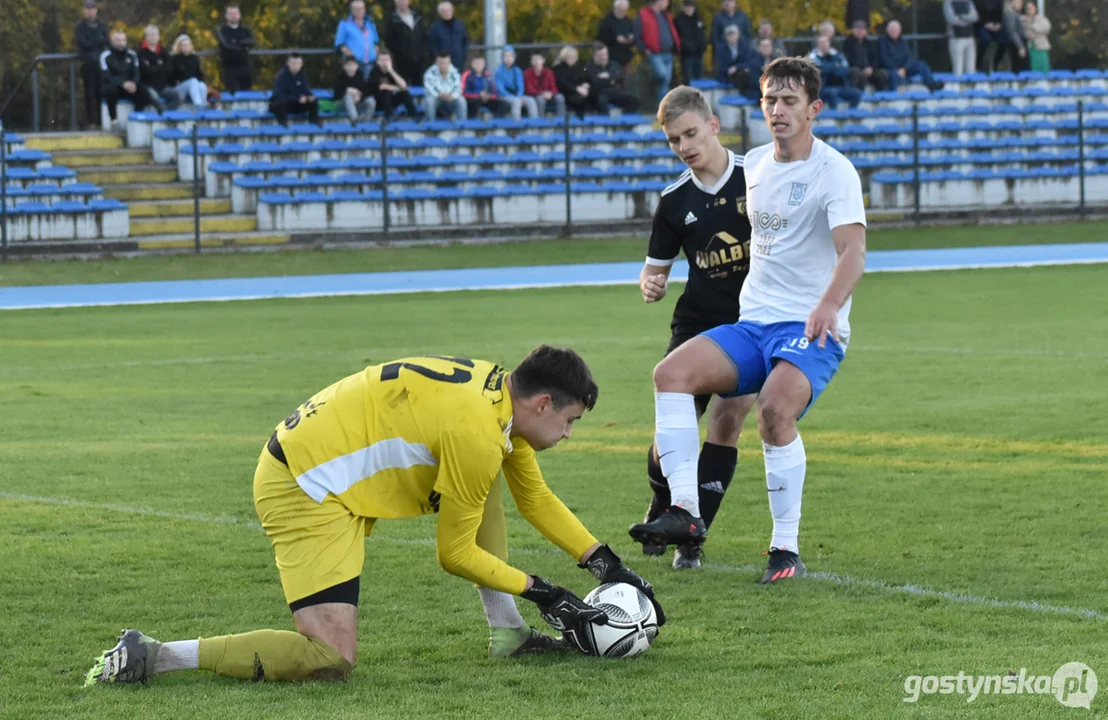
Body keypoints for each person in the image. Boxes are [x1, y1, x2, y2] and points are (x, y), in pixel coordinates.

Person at [84, 348, 664, 685]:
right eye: (569, 423)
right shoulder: (477, 433)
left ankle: (509, 636)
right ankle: (156, 655)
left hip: (327, 468)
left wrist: (609, 567)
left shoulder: (493, 398)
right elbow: (454, 554)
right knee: (330, 660)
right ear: (542, 403)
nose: (566, 434)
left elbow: (534, 498)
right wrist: (546, 591)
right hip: (305, 486)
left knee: (484, 488)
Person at [629, 56, 867, 586]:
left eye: (789, 101)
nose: (778, 110)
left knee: (774, 412)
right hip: (751, 325)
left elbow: (853, 252)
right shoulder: (754, 167)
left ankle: (786, 549)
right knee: (669, 375)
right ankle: (685, 511)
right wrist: (654, 277)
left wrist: (828, 304)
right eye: (770, 100)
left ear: (814, 109)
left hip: (808, 329)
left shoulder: (834, 170)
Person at [633, 86, 754, 570]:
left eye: (690, 133)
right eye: (673, 140)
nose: (684, 146)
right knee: (667, 443)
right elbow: (654, 267)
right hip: (697, 324)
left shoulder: (757, 179)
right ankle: (662, 501)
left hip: (751, 324)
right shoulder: (673, 201)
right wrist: (651, 284)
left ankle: (692, 540)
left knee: (727, 423)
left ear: (713, 125)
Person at [101, 30, 158, 129]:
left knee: (143, 90)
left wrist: (134, 83)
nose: (120, 43)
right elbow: (106, 76)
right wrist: (122, 83)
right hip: (115, 86)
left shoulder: (132, 54)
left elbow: (136, 73)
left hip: (130, 86)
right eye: (117, 40)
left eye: (123, 40)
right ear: (112, 41)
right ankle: (114, 120)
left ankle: (137, 117)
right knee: (110, 90)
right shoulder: (106, 56)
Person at [636, 0, 681, 104]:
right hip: (654, 53)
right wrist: (643, 49)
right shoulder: (643, 14)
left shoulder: (666, 15)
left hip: (668, 53)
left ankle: (662, 109)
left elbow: (671, 31)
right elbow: (638, 33)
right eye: (665, 1)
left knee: (665, 83)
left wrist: (676, 46)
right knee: (662, 75)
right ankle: (651, 82)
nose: (667, 3)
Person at [879, 20, 944, 91]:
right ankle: (892, 97)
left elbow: (910, 57)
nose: (894, 31)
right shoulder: (882, 41)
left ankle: (932, 85)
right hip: (891, 69)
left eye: (896, 29)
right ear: (887, 30)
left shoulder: (904, 41)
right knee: (892, 75)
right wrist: (897, 70)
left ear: (900, 30)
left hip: (905, 69)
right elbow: (884, 59)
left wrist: (904, 68)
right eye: (892, 29)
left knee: (921, 65)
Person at [75, 0, 110, 129]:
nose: (91, 11)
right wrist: (97, 41)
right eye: (88, 9)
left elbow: (106, 41)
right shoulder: (80, 26)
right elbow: (83, 44)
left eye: (93, 9)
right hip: (88, 64)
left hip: (101, 64)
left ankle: (102, 121)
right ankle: (92, 121)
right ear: (84, 10)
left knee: (101, 91)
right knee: (89, 93)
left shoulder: (101, 25)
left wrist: (94, 42)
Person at [583, 44, 641, 113]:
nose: (604, 57)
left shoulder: (613, 64)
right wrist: (610, 80)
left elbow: (619, 77)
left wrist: (607, 78)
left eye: (605, 54)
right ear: (594, 56)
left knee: (635, 101)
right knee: (601, 101)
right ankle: (605, 121)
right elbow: (593, 82)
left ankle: (625, 120)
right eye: (600, 55)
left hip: (615, 92)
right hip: (598, 94)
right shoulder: (588, 67)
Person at [384, 0, 429, 87]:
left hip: (420, 59)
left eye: (404, 1)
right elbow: (388, 40)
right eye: (399, 1)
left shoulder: (418, 16)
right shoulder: (391, 19)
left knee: (419, 85)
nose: (402, 3)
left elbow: (425, 35)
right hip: (401, 60)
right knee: (403, 86)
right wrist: (400, 51)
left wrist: (424, 50)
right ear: (395, 2)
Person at [808, 35, 861, 109]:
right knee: (832, 93)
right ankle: (834, 117)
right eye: (821, 43)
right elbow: (822, 68)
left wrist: (829, 68)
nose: (824, 45)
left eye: (826, 42)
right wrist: (835, 65)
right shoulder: (813, 56)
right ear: (817, 45)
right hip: (824, 88)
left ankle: (851, 114)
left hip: (841, 86)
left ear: (829, 43)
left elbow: (845, 70)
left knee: (857, 93)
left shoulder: (837, 55)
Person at [554, 46, 605, 119]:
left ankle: (602, 119)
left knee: (599, 96)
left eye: (574, 56)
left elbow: (589, 78)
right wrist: (576, 88)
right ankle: (581, 120)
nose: (572, 58)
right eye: (570, 56)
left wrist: (587, 85)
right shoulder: (558, 69)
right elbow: (562, 83)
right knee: (579, 99)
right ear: (564, 57)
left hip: (585, 90)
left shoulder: (581, 66)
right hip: (569, 93)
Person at [269, 53, 320, 126]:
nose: (296, 66)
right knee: (280, 103)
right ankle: (283, 125)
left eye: (298, 63)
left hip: (295, 104)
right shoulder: (281, 76)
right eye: (293, 63)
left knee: (314, 101)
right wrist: (297, 98)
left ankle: (314, 124)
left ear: (302, 64)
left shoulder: (302, 76)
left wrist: (309, 96)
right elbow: (280, 95)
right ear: (288, 63)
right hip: (281, 105)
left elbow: (305, 90)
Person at [367, 50, 420, 119]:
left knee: (404, 93)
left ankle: (415, 116)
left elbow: (404, 86)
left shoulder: (393, 70)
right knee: (385, 92)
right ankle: (389, 117)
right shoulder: (374, 72)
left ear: (391, 61)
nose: (385, 62)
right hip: (377, 103)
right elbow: (381, 87)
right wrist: (397, 87)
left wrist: (391, 71)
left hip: (390, 102)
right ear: (377, 62)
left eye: (387, 60)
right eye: (382, 60)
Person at [335, 0, 380, 80]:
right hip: (354, 64)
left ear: (364, 9)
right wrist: (352, 57)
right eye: (356, 9)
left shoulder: (370, 23)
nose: (360, 11)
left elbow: (376, 42)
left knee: (370, 87)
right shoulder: (345, 24)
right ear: (352, 10)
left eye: (361, 8)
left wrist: (375, 56)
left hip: (371, 63)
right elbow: (339, 44)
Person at [216, 4, 256, 93]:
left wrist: (236, 42)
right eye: (231, 14)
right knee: (232, 93)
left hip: (245, 65)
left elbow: (252, 41)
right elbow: (226, 45)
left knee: (247, 92)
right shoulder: (222, 31)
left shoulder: (246, 30)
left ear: (239, 15)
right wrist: (242, 44)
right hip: (229, 67)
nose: (233, 16)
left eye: (235, 13)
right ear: (226, 16)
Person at [138, 25, 178, 111]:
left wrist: (152, 67)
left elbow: (170, 69)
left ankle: (166, 116)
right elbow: (145, 71)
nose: (153, 37)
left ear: (159, 36)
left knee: (178, 96)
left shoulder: (164, 51)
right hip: (147, 87)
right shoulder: (140, 52)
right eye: (150, 34)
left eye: (155, 34)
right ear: (146, 37)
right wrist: (161, 66)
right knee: (156, 99)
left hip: (162, 87)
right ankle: (159, 116)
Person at [495, 46, 539, 121]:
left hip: (517, 95)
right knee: (516, 102)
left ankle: (534, 125)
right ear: (502, 58)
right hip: (504, 95)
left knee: (531, 100)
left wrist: (519, 96)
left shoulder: (517, 70)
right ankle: (516, 124)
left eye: (511, 56)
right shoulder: (498, 71)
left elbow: (520, 86)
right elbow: (500, 88)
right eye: (506, 56)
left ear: (514, 57)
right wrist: (515, 98)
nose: (508, 59)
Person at [842, 21, 888, 91]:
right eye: (857, 29)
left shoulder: (870, 43)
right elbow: (847, 59)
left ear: (865, 31)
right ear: (853, 30)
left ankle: (880, 95)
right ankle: (858, 95)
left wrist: (871, 68)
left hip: (870, 70)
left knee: (883, 74)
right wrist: (862, 69)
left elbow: (875, 58)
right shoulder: (847, 44)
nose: (860, 31)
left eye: (862, 29)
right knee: (856, 72)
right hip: (855, 70)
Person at [168, 35, 211, 110]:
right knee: (193, 81)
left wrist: (199, 82)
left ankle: (202, 107)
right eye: (183, 45)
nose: (186, 47)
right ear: (179, 47)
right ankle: (198, 104)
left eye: (187, 45)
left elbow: (199, 74)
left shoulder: (194, 58)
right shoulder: (174, 59)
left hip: (194, 86)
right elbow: (171, 76)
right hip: (180, 88)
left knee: (202, 85)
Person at [596, 0, 636, 79]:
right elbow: (600, 37)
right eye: (621, 10)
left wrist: (631, 38)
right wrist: (615, 38)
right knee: (613, 80)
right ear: (615, 8)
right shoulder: (607, 20)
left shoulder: (628, 21)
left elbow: (634, 36)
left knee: (627, 82)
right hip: (611, 58)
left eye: (624, 10)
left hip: (625, 57)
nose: (622, 12)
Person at [423, 52, 467, 122]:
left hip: (450, 100)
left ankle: (462, 127)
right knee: (429, 101)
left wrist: (452, 96)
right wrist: (440, 95)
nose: (443, 65)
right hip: (436, 99)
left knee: (461, 101)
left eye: (446, 63)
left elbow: (458, 88)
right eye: (441, 63)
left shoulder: (455, 72)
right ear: (436, 62)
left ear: (449, 62)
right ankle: (431, 126)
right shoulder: (429, 73)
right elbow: (430, 89)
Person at [428, 1, 469, 73]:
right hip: (442, 64)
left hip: (458, 62)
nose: (447, 13)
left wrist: (463, 56)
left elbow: (465, 42)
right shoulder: (435, 28)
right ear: (440, 13)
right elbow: (432, 45)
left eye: (449, 10)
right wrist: (438, 58)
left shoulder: (460, 25)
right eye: (444, 11)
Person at [674, 0, 708, 84]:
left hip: (699, 53)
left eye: (692, 7)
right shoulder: (678, 20)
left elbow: (702, 33)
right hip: (687, 55)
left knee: (699, 79)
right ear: (683, 8)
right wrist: (683, 47)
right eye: (688, 7)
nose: (690, 9)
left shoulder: (698, 18)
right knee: (688, 80)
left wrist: (703, 46)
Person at [524, 53, 567, 117]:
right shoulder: (527, 73)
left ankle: (561, 120)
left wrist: (551, 93)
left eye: (539, 59)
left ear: (543, 60)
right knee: (540, 99)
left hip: (549, 95)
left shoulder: (549, 72)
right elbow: (529, 89)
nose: (536, 62)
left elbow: (553, 87)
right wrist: (541, 93)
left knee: (560, 97)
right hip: (535, 95)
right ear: (531, 62)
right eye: (534, 59)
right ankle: (540, 121)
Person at [943, 0, 979, 76]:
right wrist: (967, 20)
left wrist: (961, 16)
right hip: (956, 39)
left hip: (970, 38)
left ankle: (970, 87)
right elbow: (951, 19)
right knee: (958, 70)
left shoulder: (968, 2)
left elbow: (975, 17)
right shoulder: (948, 2)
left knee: (971, 70)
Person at [335, 55, 375, 122]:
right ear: (344, 67)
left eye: (353, 65)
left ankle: (366, 122)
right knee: (348, 96)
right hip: (343, 104)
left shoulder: (360, 75)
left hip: (358, 103)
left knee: (371, 100)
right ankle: (355, 120)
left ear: (357, 66)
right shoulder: (340, 77)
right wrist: (347, 91)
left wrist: (360, 96)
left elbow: (365, 90)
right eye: (348, 65)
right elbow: (336, 95)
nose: (351, 67)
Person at [974, 0, 1008, 73]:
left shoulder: (999, 1)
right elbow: (976, 16)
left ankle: (996, 63)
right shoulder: (977, 1)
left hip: (995, 26)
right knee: (985, 40)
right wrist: (985, 24)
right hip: (981, 25)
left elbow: (1000, 15)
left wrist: (998, 24)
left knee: (1004, 40)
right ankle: (978, 64)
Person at [715, 25, 751, 90]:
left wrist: (736, 67)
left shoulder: (744, 47)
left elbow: (748, 61)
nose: (731, 37)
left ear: (738, 35)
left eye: (733, 34)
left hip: (741, 73)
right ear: (726, 37)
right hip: (726, 76)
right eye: (729, 35)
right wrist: (730, 69)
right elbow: (721, 66)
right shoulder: (720, 49)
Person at [1021, 1, 1051, 72]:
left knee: (1044, 66)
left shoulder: (1040, 18)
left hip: (1042, 46)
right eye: (1028, 8)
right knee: (1034, 66)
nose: (1030, 9)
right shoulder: (1023, 20)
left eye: (1031, 7)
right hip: (1031, 46)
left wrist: (1033, 28)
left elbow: (1047, 27)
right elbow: (1026, 33)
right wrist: (1037, 31)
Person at [1002, 0, 1027, 72]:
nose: (1020, 4)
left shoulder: (1017, 13)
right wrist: (1020, 46)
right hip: (1015, 43)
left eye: (1021, 2)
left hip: (1018, 42)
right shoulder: (1010, 13)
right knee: (1018, 67)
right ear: (1012, 3)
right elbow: (1012, 31)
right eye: (1018, 2)